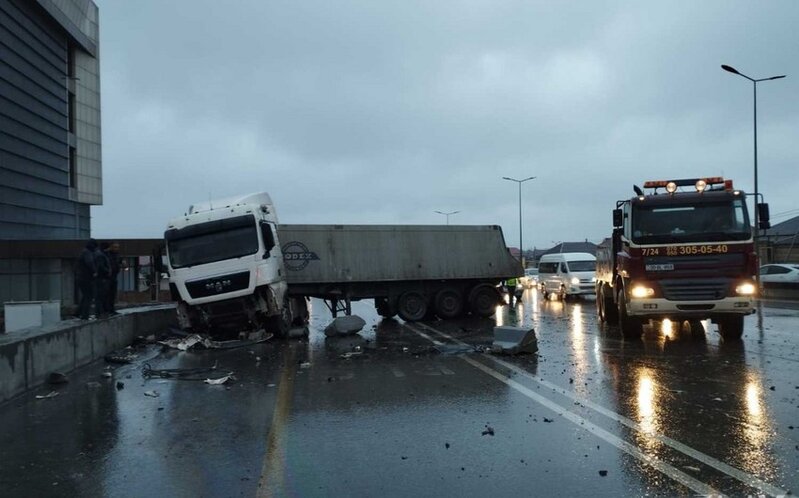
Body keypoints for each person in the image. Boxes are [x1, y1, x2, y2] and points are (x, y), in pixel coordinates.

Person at [76, 239, 98, 320]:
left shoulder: (84, 251)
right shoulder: (87, 252)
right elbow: (89, 262)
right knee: (89, 296)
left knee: (85, 296)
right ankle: (85, 315)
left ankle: (79, 313)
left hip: (82, 277)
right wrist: (95, 271)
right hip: (86, 278)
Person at [104, 241, 123, 315]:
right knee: (107, 294)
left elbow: (120, 260)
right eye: (115, 247)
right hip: (107, 277)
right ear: (111, 247)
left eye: (117, 247)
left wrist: (122, 262)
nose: (116, 249)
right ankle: (106, 310)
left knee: (112, 294)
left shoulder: (117, 255)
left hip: (114, 276)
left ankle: (112, 310)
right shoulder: (106, 254)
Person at [94, 242, 112, 318]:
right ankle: (100, 313)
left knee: (102, 296)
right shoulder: (101, 255)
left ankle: (101, 312)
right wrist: (107, 271)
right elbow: (101, 267)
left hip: (102, 278)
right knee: (101, 297)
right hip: (102, 278)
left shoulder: (101, 254)